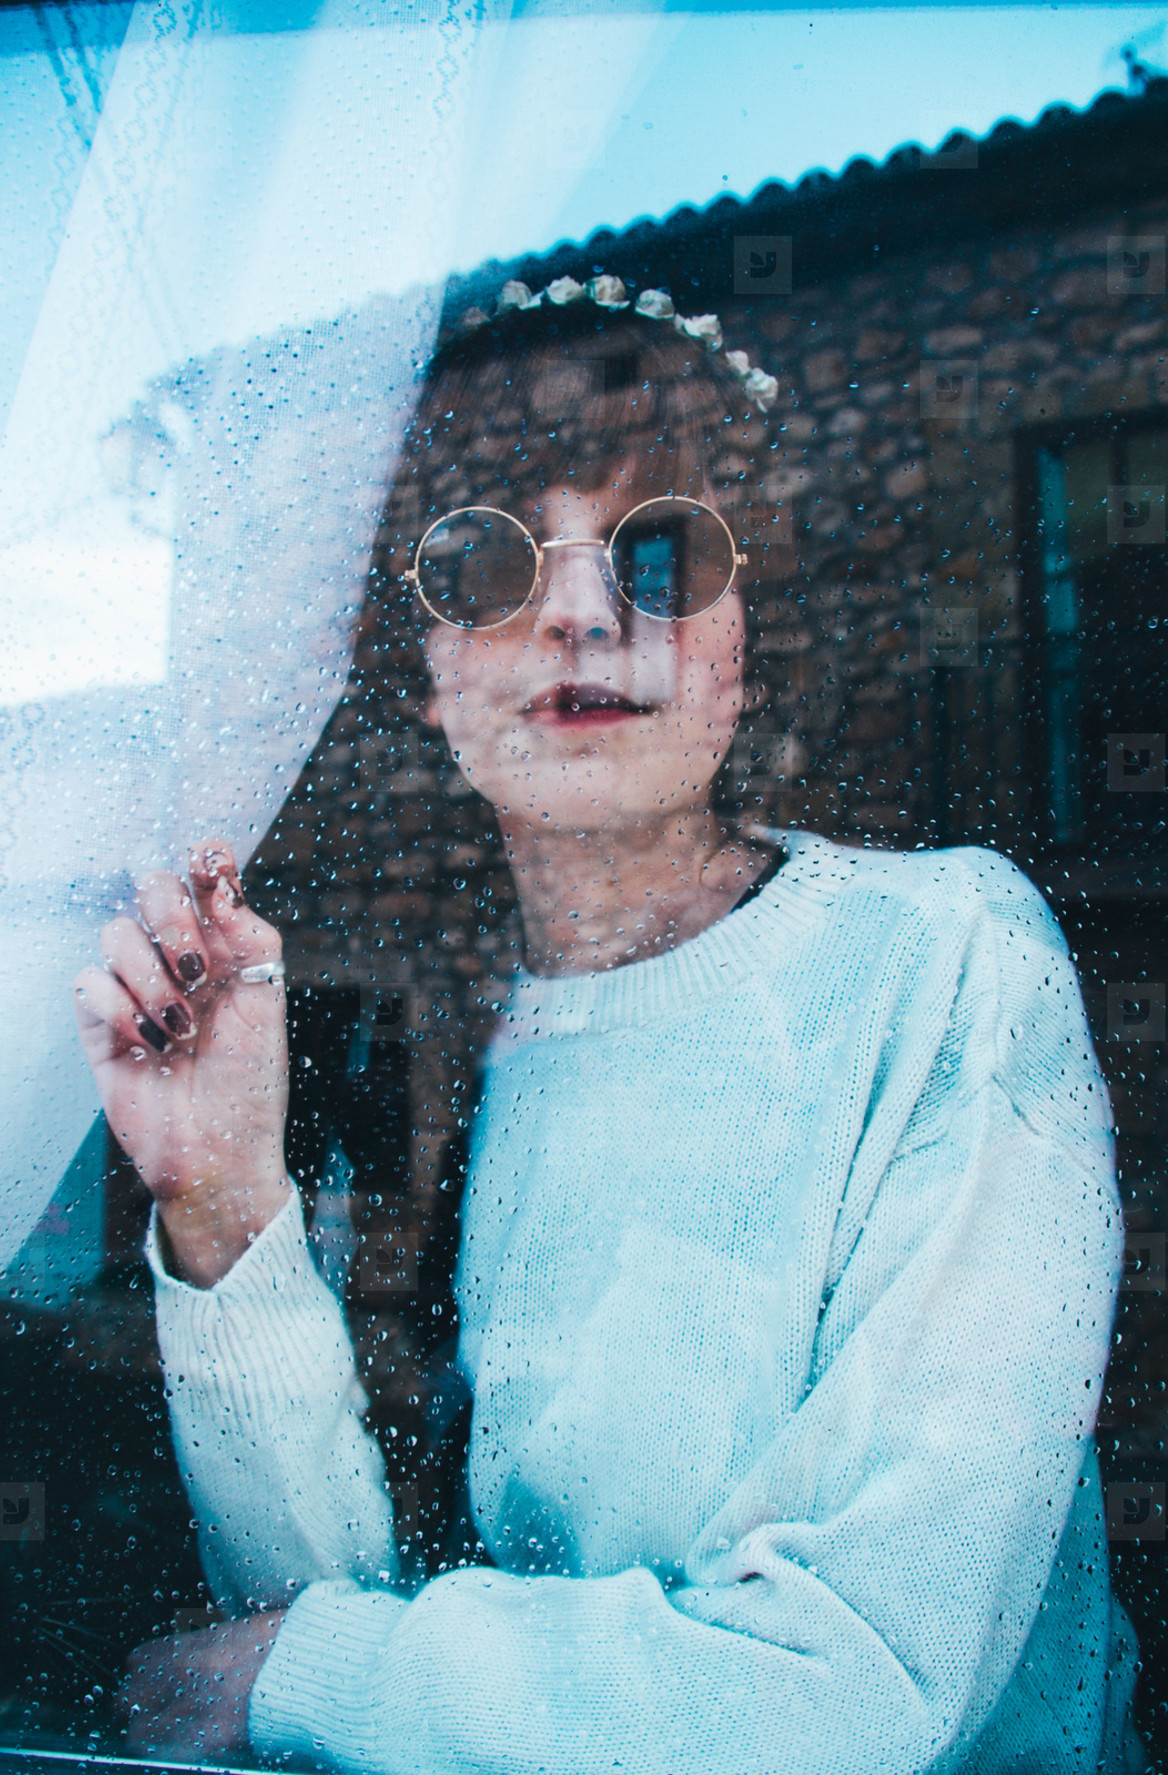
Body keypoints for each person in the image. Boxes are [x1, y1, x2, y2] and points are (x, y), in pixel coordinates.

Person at [73, 275, 1143, 1773]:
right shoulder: (486, 1054)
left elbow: (851, 1690)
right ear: (432, 672)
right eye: (489, 562)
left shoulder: (946, 958)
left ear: (743, 632)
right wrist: (224, 1206)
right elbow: (334, 1637)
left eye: (665, 548)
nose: (578, 608)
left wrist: (316, 1677)